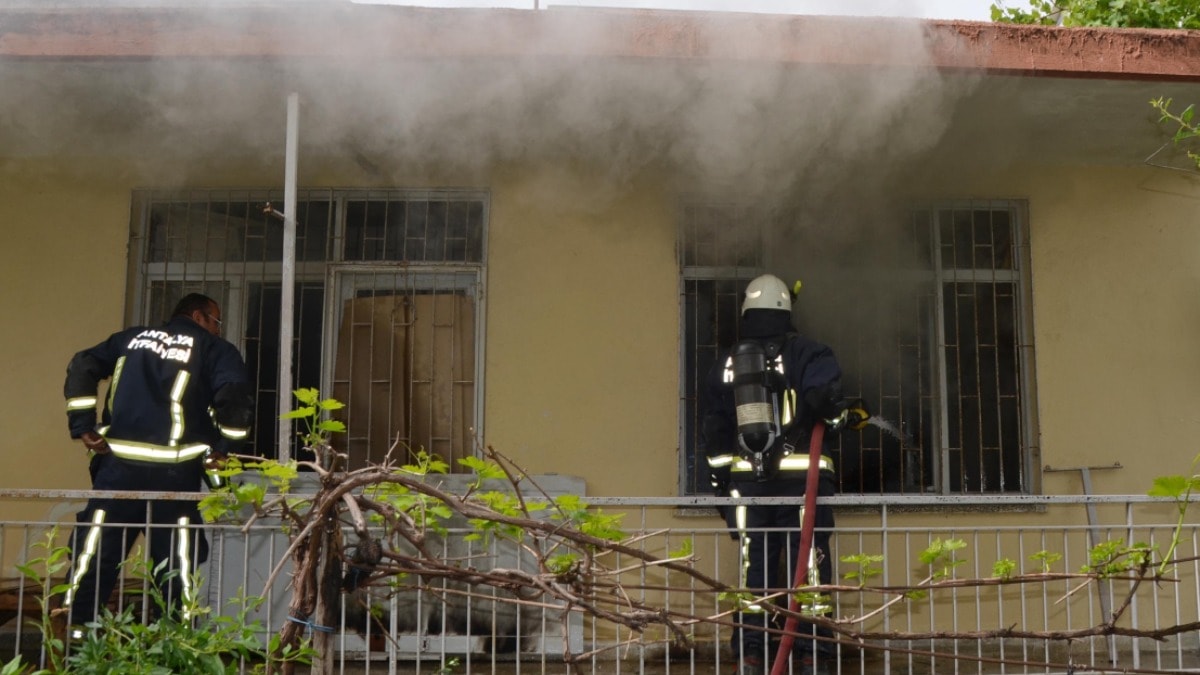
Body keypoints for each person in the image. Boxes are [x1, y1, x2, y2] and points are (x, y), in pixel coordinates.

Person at [701, 274, 867, 675]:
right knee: (808, 568)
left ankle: (751, 655)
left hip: (746, 488)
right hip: (802, 487)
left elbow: (714, 428)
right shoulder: (811, 352)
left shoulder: (728, 361)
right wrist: (844, 416)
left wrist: (722, 488)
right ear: (787, 310)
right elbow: (823, 404)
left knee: (751, 572)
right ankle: (813, 655)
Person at [62, 293, 253, 636]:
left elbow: (82, 365)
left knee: (95, 555)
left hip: (117, 473)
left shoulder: (130, 339)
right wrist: (226, 448)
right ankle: (175, 646)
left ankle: (76, 643)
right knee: (176, 564)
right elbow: (234, 395)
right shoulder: (213, 349)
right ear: (199, 316)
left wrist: (83, 426)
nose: (217, 330)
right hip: (175, 478)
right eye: (216, 322)